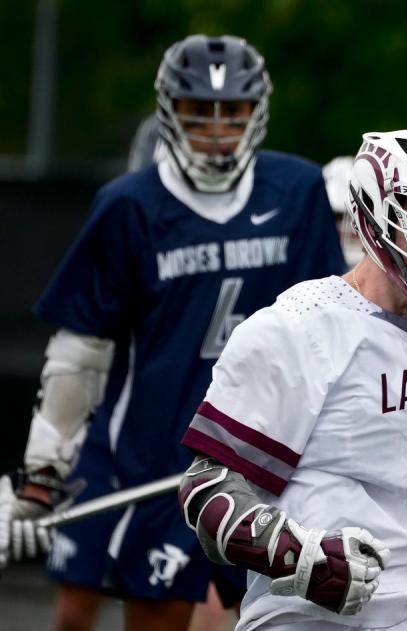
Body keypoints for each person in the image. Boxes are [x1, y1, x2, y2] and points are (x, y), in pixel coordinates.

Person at [3, 34, 346, 631]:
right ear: (169, 111)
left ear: (255, 111)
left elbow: (336, 324)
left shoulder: (296, 190)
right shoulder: (130, 204)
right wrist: (41, 476)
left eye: (231, 112)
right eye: (199, 112)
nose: (216, 129)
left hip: (272, 456)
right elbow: (79, 355)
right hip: (162, 462)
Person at [176, 130, 407, 630]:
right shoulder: (299, 325)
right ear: (381, 214)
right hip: (313, 613)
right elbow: (210, 490)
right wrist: (301, 558)